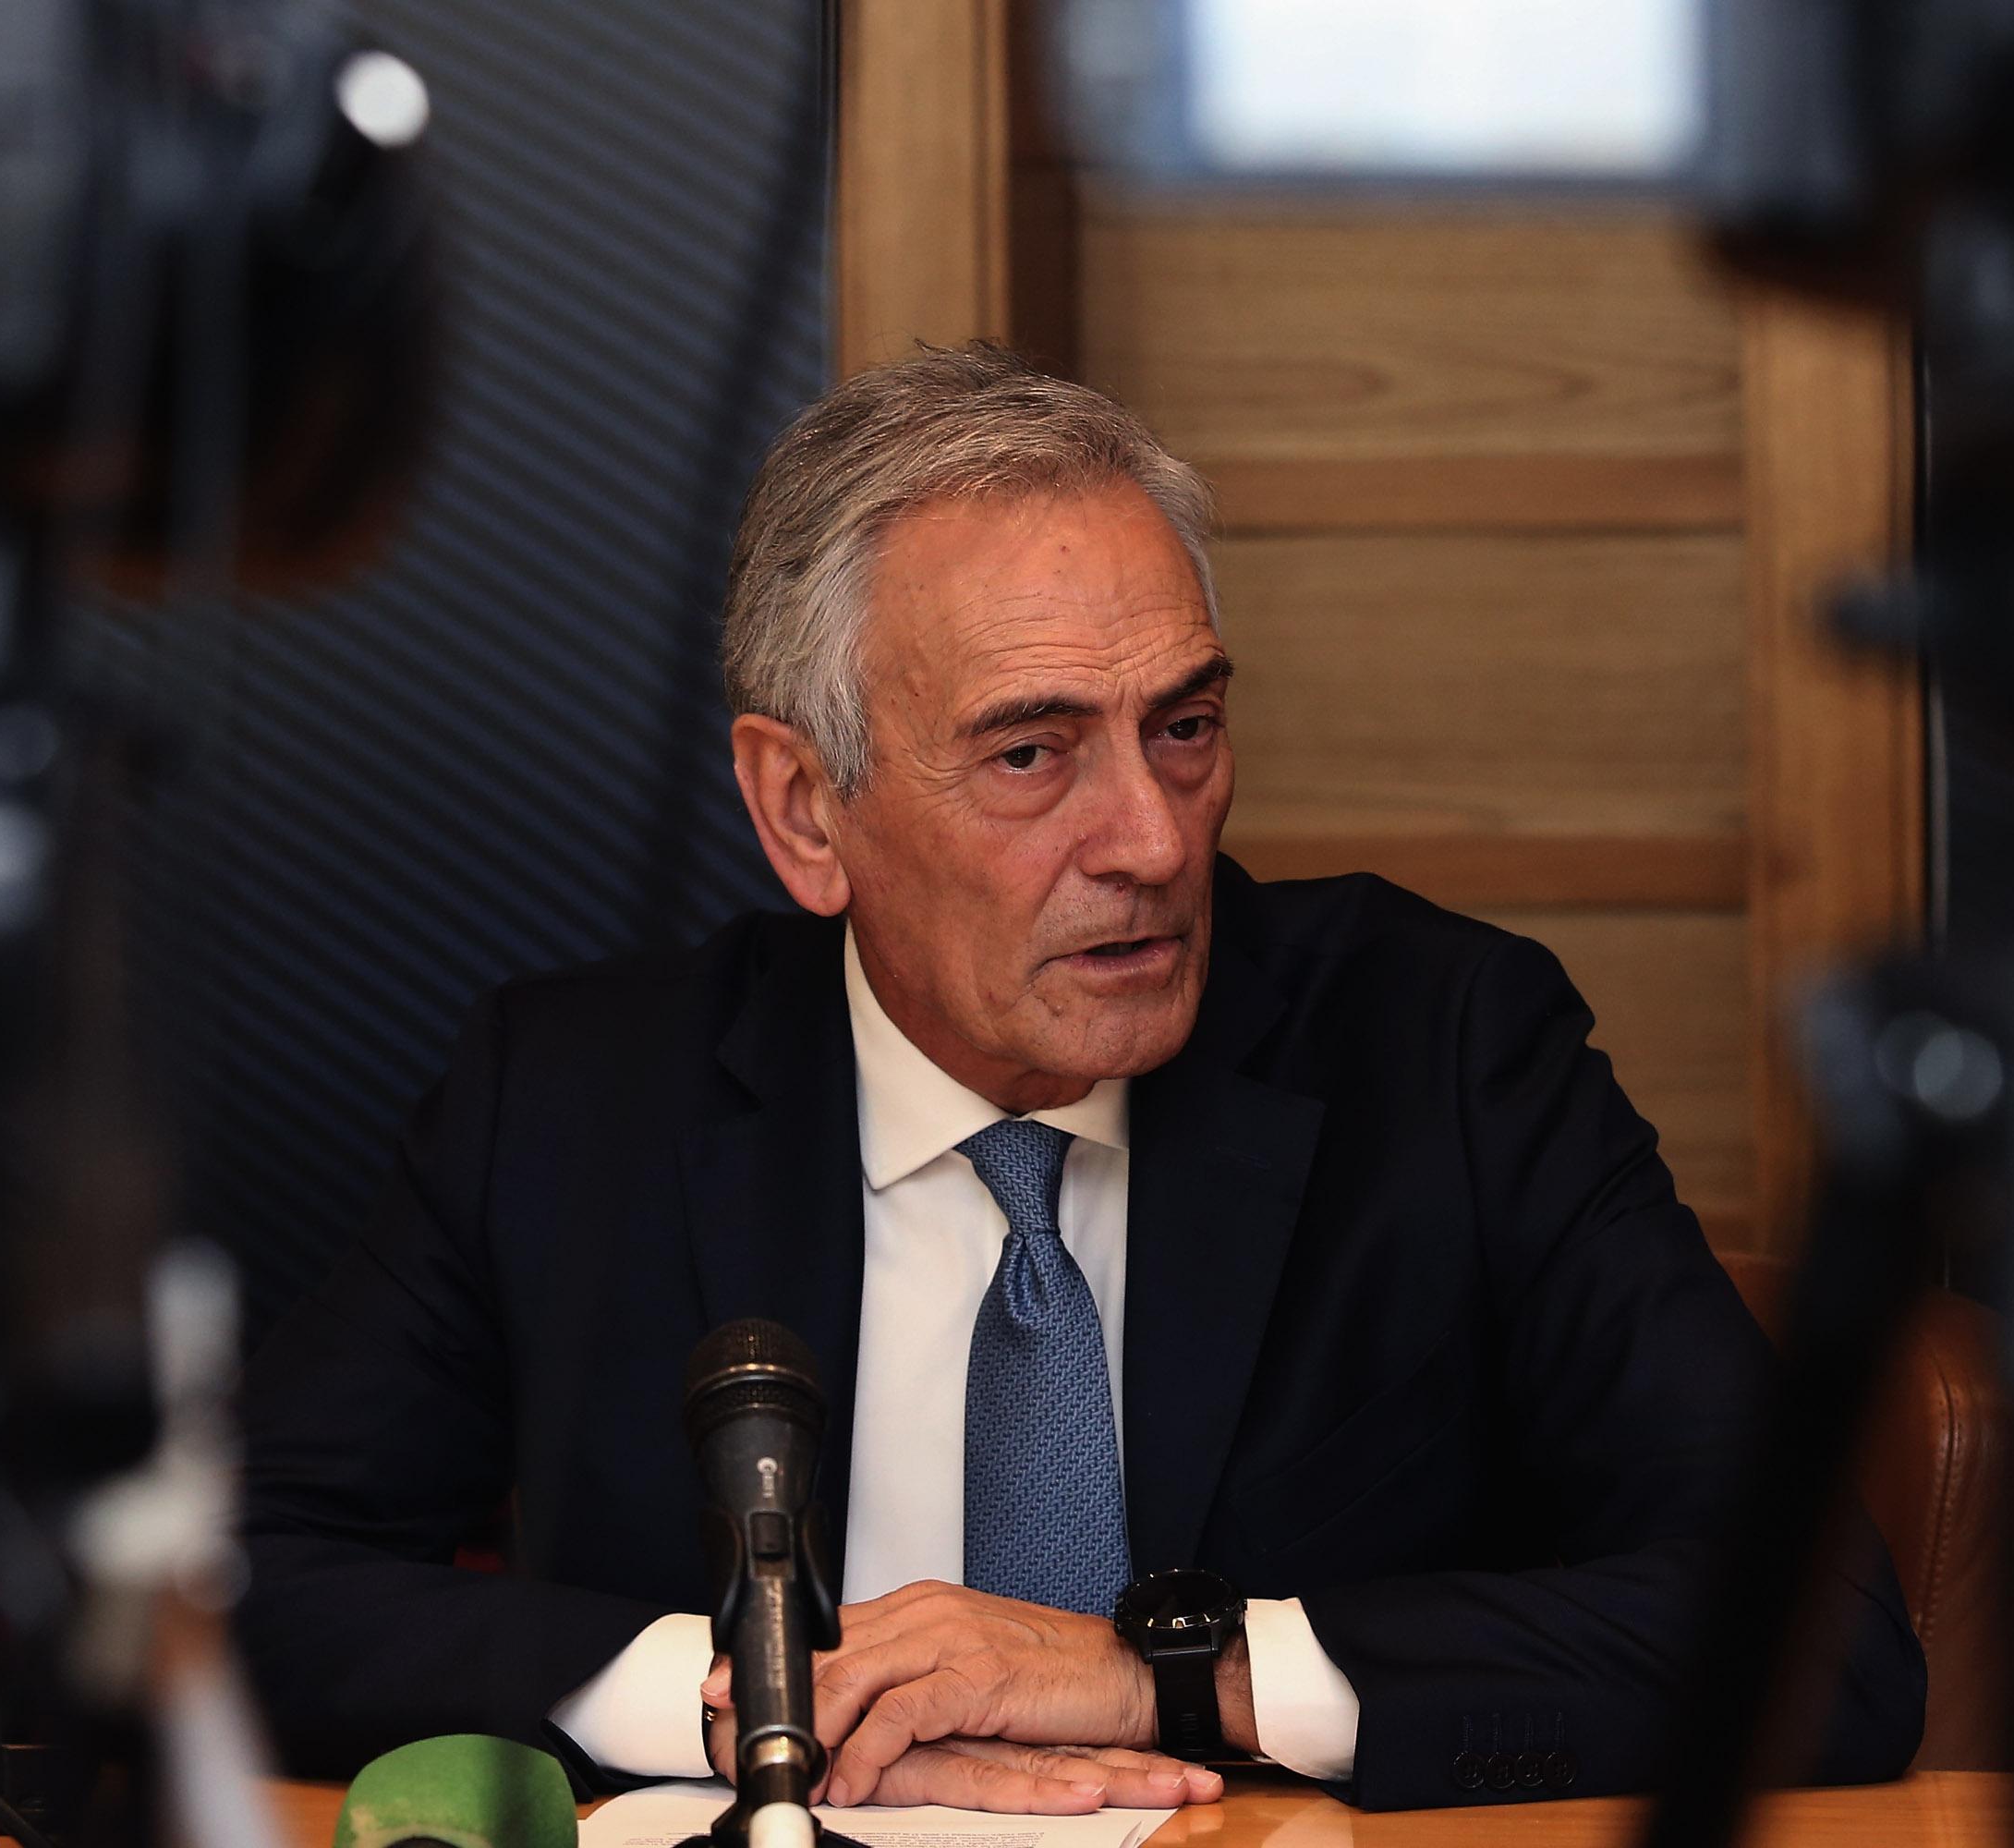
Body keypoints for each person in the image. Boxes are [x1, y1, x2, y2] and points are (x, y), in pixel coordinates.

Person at [235, 343, 1926, 1813]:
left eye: (1183, 728)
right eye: (1032, 751)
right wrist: (759, 1694)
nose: (1149, 840)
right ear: (805, 812)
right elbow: (230, 1588)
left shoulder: (1448, 1050)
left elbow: (1817, 1635)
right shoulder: (575, 1101)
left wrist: (1167, 1678)